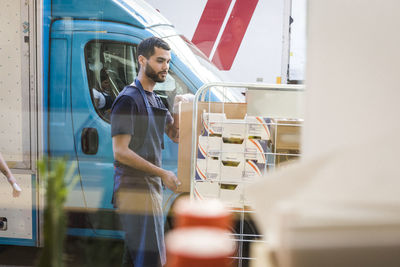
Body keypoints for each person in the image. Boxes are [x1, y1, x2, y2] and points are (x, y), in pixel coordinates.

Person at [110, 37, 181, 267]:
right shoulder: (127, 100)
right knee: (151, 260)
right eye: (160, 61)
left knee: (135, 259)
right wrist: (162, 173)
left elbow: (175, 135)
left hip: (149, 189)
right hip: (134, 192)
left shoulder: (156, 100)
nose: (166, 67)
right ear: (142, 60)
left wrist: (180, 107)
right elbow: (121, 152)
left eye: (168, 62)